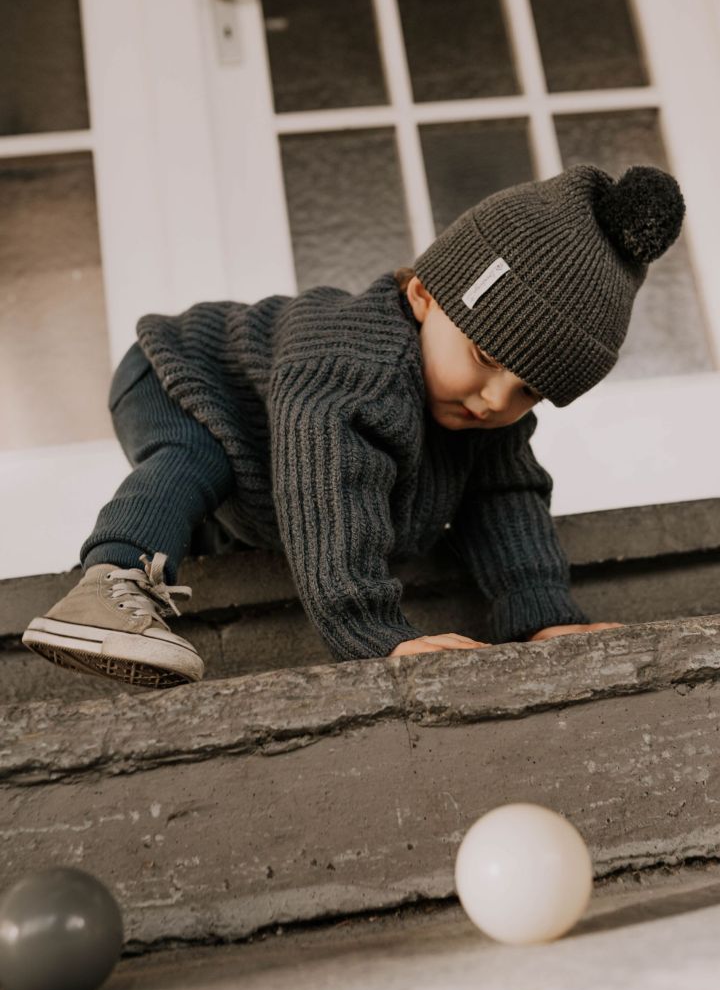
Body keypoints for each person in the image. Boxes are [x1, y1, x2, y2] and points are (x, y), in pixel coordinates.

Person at [22, 163, 685, 687]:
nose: (493, 399)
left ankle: (185, 556)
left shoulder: (487, 416)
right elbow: (327, 488)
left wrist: (544, 618)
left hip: (270, 460)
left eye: (528, 391)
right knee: (197, 456)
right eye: (484, 358)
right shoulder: (351, 361)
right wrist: (379, 635)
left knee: (235, 521)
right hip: (186, 373)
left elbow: (506, 505)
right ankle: (107, 587)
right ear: (425, 295)